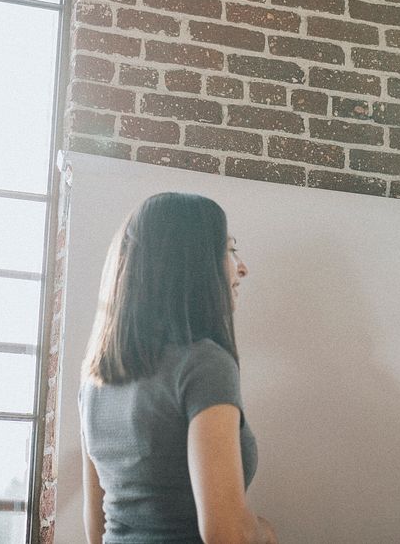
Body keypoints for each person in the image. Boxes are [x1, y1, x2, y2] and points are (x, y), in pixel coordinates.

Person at [79, 192, 278, 544]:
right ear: (193, 263)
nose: (242, 267)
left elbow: (97, 529)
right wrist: (265, 532)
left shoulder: (95, 379)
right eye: (230, 250)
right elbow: (225, 533)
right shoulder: (204, 365)